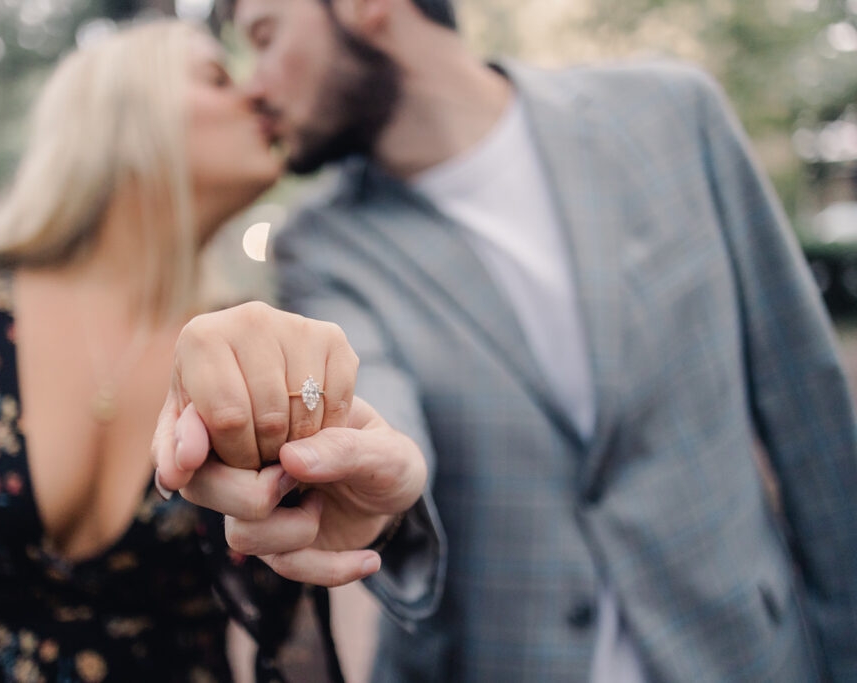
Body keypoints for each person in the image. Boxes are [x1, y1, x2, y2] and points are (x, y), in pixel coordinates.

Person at [160, 0, 857, 680]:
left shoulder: (673, 114)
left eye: (265, 35)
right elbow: (368, 393)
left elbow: (810, 413)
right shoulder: (321, 242)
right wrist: (362, 472)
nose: (254, 85)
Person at [0, 18, 426, 681]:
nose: (260, 92)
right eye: (218, 77)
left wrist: (352, 501)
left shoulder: (240, 356)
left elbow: (288, 600)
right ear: (119, 114)